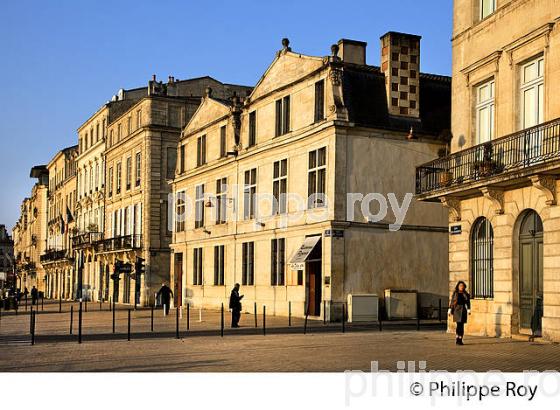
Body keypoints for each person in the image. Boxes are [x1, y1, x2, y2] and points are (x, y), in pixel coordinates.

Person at [448, 281, 471, 345]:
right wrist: (449, 310)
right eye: (460, 285)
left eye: (462, 286)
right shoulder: (455, 293)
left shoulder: (465, 294)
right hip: (457, 309)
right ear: (458, 286)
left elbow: (468, 302)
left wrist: (469, 309)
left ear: (464, 287)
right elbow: (452, 301)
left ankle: (460, 339)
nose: (461, 287)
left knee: (462, 325)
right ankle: (457, 338)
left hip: (463, 309)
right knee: (458, 325)